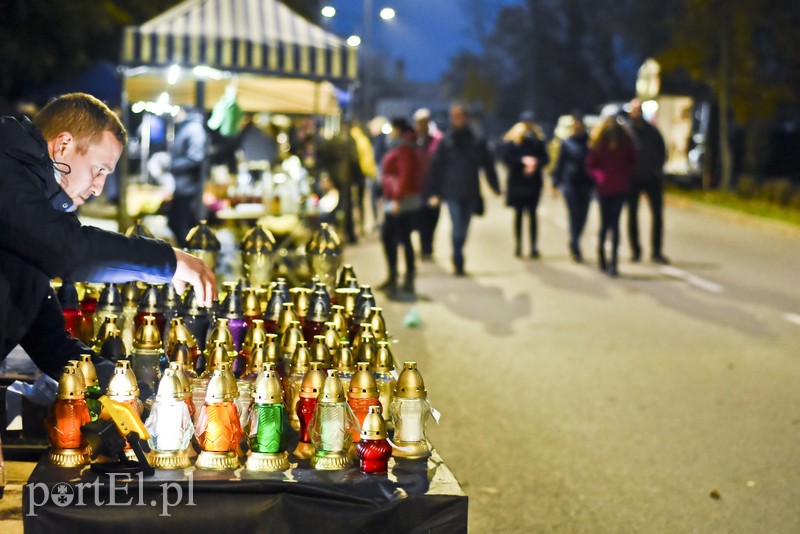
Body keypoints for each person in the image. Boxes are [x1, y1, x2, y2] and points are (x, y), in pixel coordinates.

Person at [0, 92, 216, 380]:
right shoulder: (6, 170)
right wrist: (168, 260)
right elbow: (69, 250)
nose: (99, 187)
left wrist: (128, 385)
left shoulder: (37, 209)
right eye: (98, 170)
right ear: (63, 145)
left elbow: (51, 344)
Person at [426, 103, 500, 276]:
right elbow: (436, 168)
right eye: (455, 116)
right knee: (457, 226)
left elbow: (487, 164)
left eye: (460, 116)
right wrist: (433, 192)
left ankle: (458, 250)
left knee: (464, 227)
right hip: (451, 191)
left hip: (471, 191)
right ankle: (458, 257)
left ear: (466, 118)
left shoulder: (476, 140)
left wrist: (495, 186)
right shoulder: (446, 141)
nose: (458, 119)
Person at [586, 111, 637, 277]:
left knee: (615, 225)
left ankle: (613, 262)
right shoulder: (599, 141)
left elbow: (632, 161)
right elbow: (592, 165)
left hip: (619, 188)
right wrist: (600, 177)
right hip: (604, 188)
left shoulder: (625, 140)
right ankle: (601, 256)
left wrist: (623, 175)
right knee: (604, 224)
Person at [378, 118, 423, 298]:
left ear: (397, 130)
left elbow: (403, 175)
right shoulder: (402, 146)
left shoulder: (403, 148)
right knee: (401, 238)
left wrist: (396, 199)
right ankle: (398, 277)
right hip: (400, 199)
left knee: (393, 238)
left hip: (402, 202)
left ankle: (400, 277)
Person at [500, 111, 549, 258]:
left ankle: (533, 246)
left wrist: (535, 163)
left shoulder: (538, 141)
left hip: (533, 182)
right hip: (517, 182)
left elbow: (545, 159)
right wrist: (522, 161)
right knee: (519, 214)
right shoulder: (513, 141)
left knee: (533, 215)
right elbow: (506, 159)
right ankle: (519, 245)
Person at [626, 98, 669, 264]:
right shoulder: (627, 132)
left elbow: (662, 151)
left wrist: (656, 169)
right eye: (633, 110)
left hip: (652, 179)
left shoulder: (653, 132)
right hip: (633, 180)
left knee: (657, 216)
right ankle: (635, 251)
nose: (636, 113)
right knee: (632, 215)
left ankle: (656, 251)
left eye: (638, 110)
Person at [552, 112, 594, 262]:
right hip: (570, 184)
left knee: (582, 216)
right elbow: (560, 163)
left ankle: (575, 238)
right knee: (574, 214)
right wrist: (555, 182)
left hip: (586, 184)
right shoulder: (567, 143)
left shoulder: (590, 143)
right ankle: (575, 244)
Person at [168, 106, 209, 247]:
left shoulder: (194, 129)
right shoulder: (187, 128)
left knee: (183, 230)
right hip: (182, 188)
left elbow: (195, 157)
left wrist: (171, 165)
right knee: (175, 224)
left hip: (188, 190)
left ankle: (188, 260)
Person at [412, 108, 443, 260]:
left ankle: (429, 246)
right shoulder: (413, 139)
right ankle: (424, 247)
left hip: (433, 185)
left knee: (432, 217)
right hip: (417, 186)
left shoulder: (436, 138)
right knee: (420, 217)